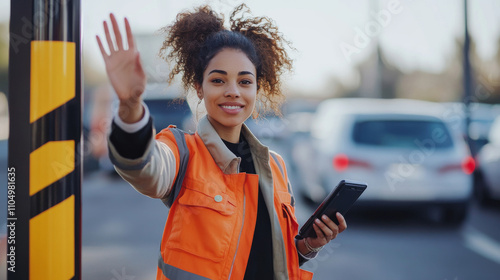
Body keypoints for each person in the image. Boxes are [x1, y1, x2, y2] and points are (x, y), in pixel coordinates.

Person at [96, 4, 347, 280]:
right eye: (218, 80)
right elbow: (143, 168)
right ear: (198, 88)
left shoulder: (277, 165)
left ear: (256, 89)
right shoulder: (182, 151)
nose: (232, 92)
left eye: (244, 81)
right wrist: (130, 106)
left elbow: (271, 253)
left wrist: (308, 245)